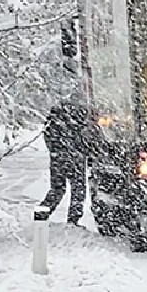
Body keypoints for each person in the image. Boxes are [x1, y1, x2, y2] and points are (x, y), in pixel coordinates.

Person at [37, 94, 101, 225]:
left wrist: (55, 152)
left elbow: (47, 134)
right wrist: (89, 156)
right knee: (78, 191)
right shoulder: (85, 116)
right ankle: (73, 221)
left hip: (58, 159)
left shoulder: (56, 114)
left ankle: (40, 215)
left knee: (56, 189)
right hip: (76, 159)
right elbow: (92, 140)